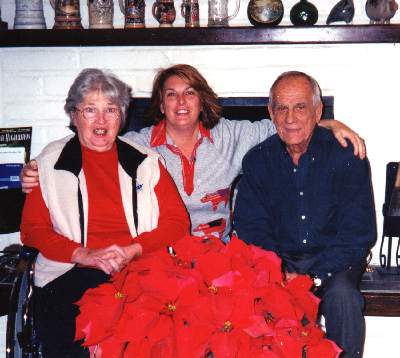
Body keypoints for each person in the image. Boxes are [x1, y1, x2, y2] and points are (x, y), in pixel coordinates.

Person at [21, 64, 365, 243]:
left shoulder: (232, 134)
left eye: (189, 93)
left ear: (202, 100)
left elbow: (290, 124)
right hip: (165, 253)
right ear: (161, 103)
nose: (181, 103)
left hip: (223, 251)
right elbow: (92, 144)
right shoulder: (138, 146)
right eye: (171, 95)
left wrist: (333, 124)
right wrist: (38, 172)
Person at [20, 68, 189, 357]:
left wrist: (133, 250)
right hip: (72, 270)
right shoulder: (49, 162)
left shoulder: (146, 161)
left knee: (163, 323)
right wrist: (82, 254)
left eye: (110, 109)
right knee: (72, 325)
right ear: (74, 116)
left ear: (121, 117)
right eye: (90, 110)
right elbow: (33, 230)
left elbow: (177, 223)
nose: (101, 120)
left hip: (138, 266)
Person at [233, 71, 376, 358]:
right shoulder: (258, 160)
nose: (290, 118)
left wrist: (314, 276)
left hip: (337, 262)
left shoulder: (346, 154)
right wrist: (278, 270)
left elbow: (358, 231)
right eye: (282, 108)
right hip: (282, 260)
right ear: (270, 113)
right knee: (264, 302)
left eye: (300, 107)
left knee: (343, 298)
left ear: (318, 111)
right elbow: (252, 228)